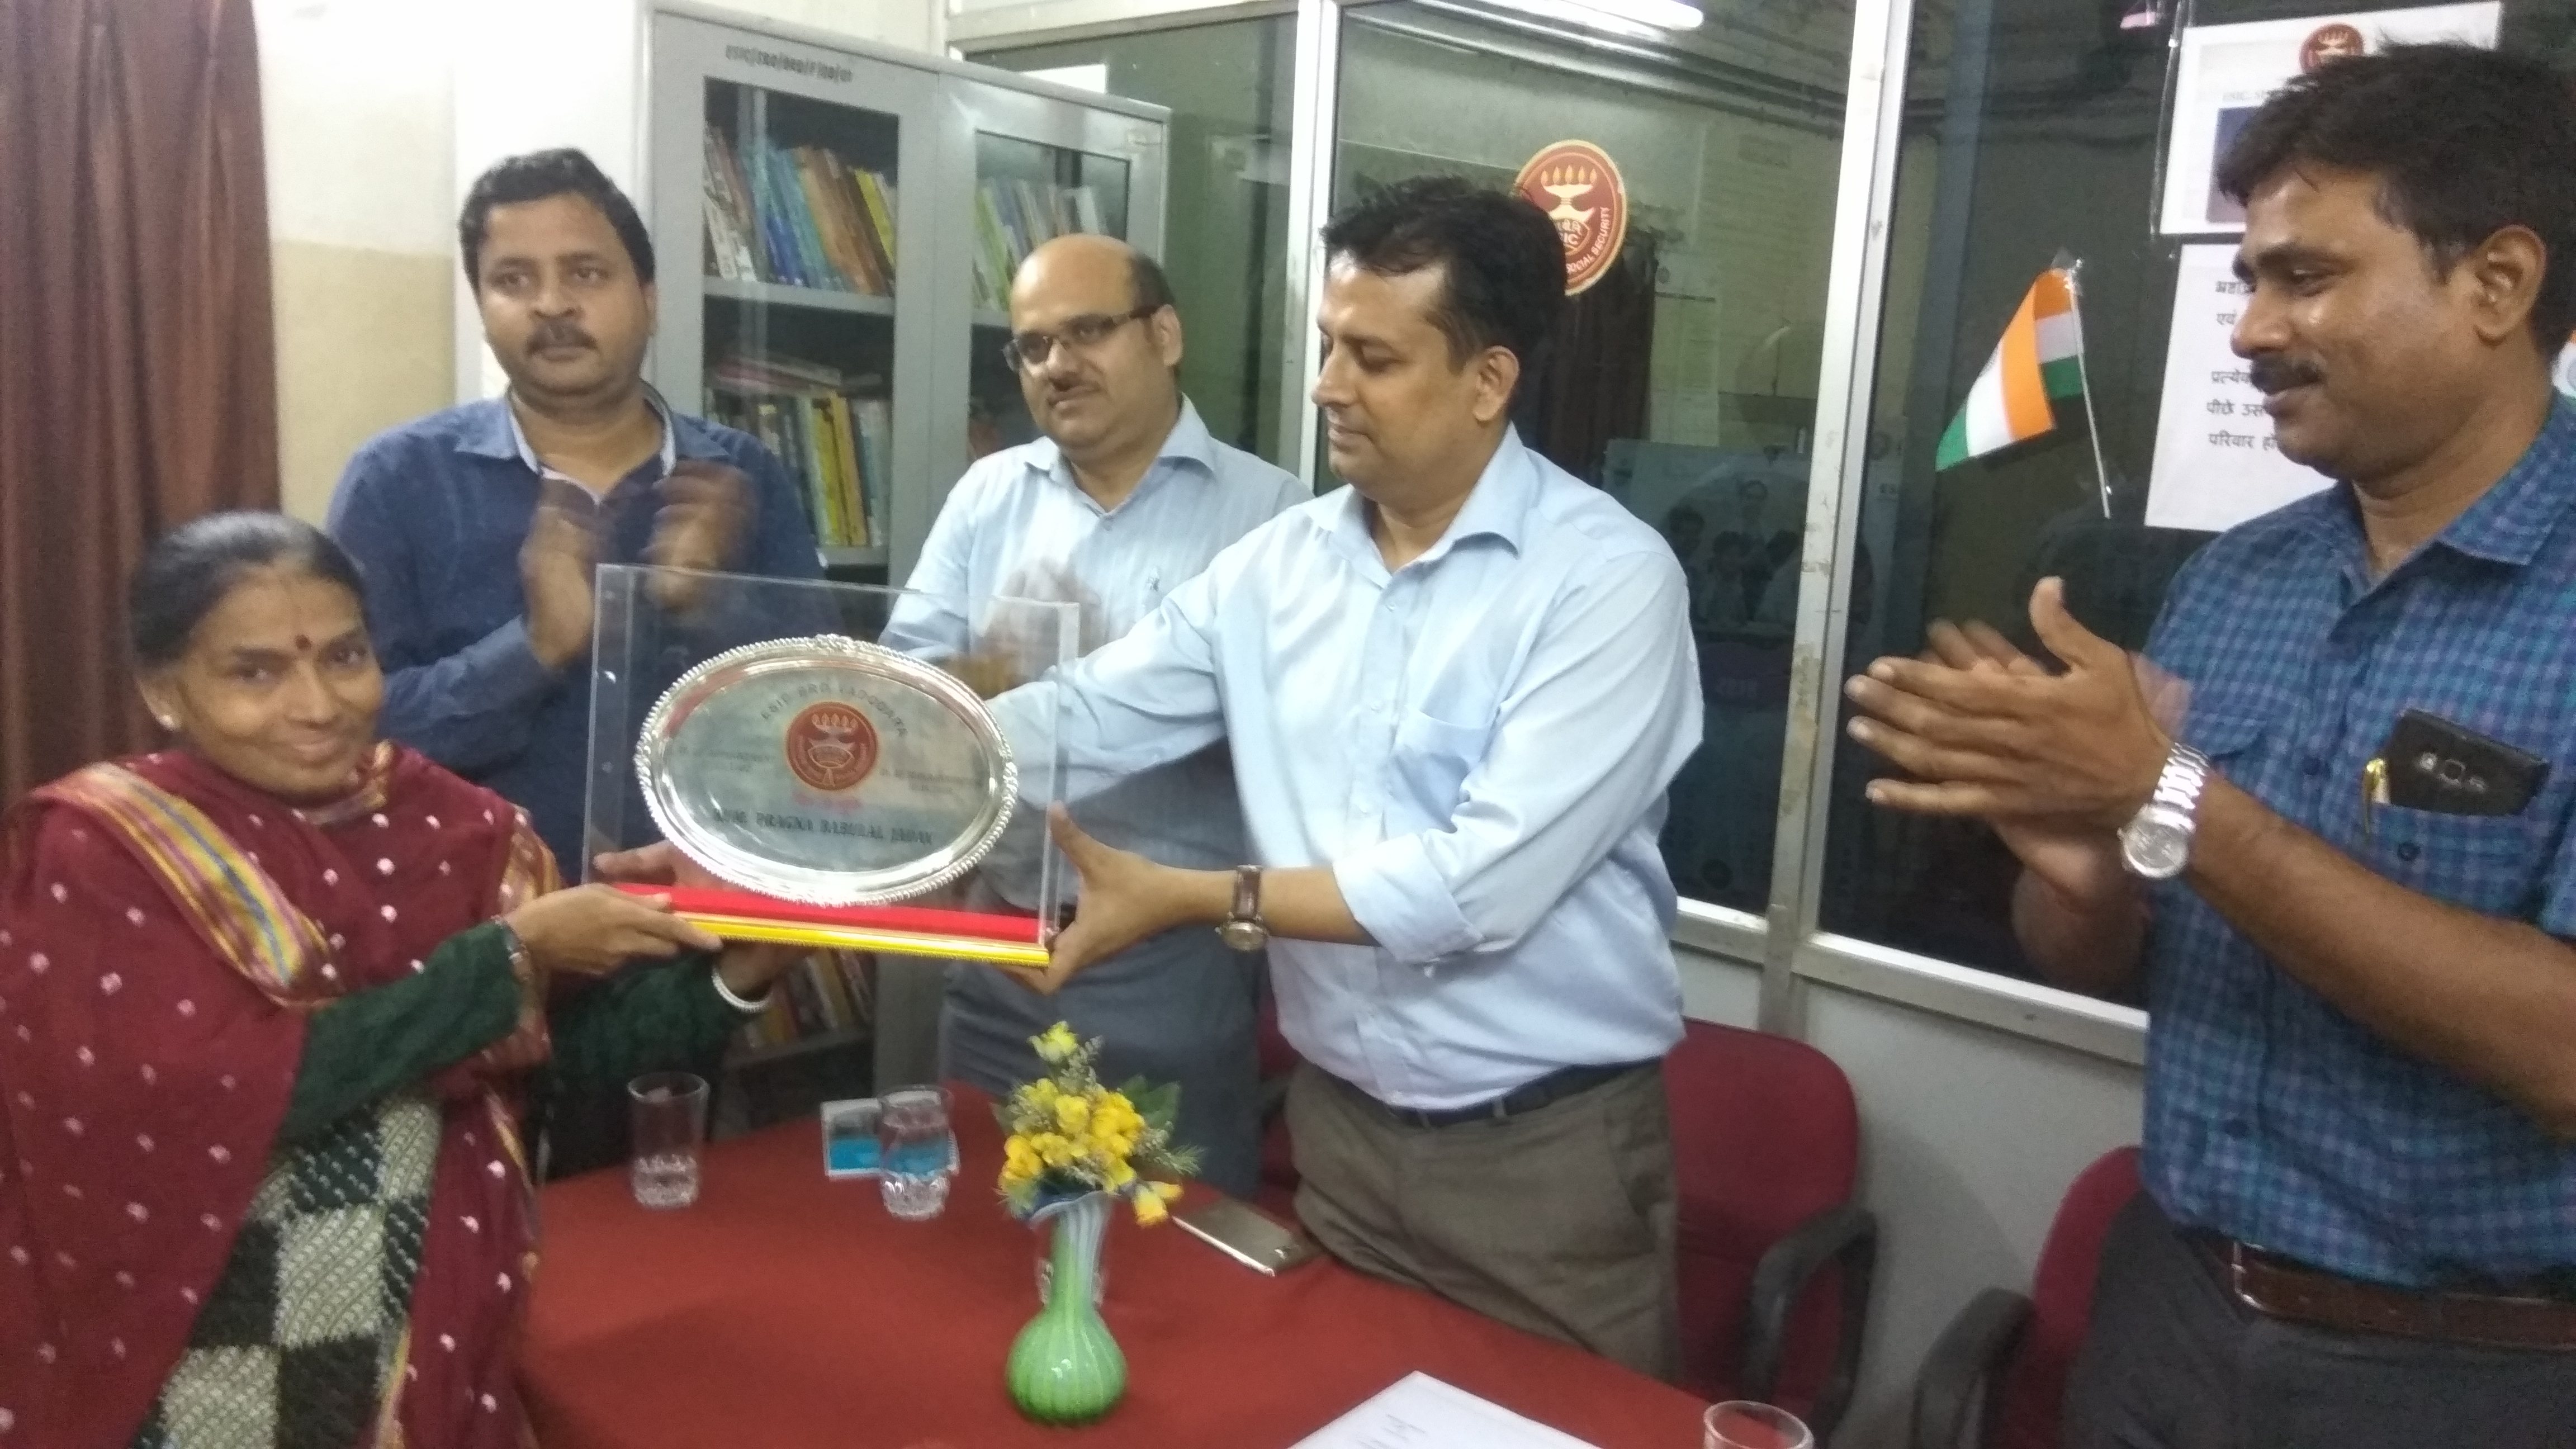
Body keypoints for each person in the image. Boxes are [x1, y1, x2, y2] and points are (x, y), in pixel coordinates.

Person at [1841, 45, 2576, 1447]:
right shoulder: (2238, 583)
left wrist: (2160, 787)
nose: (2252, 331)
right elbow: (2108, 953)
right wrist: (2080, 877)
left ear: (2496, 283)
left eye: (2307, 276)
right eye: (2249, 282)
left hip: (2474, 1376)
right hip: (2174, 1307)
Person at [996, 176, 1701, 1379]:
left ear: (1488, 381)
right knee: (1341, 1410)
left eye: (1373, 358)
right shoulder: (1277, 569)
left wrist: (1199, 897)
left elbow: (1476, 887)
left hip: (1541, 1160)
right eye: (1328, 344)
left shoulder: (1605, 581)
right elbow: (1088, 714)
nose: (1327, 385)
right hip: (1342, 1141)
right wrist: (854, 756)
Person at [0, 513, 799, 1449]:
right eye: (255, 673)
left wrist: (739, 964)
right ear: (163, 691)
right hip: (195, 1329)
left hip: (432, 1313)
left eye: (345, 657)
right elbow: (220, 1092)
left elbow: (555, 1063)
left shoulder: (460, 830)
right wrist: (507, 957)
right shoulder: (104, 850)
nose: (317, 705)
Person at [877, 234, 1304, 1199]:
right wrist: (990, 669)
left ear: (1165, 335)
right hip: (1002, 952)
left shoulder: (1273, 514)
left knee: (1173, 1244)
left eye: (1087, 332)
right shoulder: (989, 496)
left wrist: (1127, 688)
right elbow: (905, 697)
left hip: (1173, 964)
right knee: (980, 1231)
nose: (1057, 365)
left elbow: (1288, 737)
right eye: (1032, 346)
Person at [325, 147, 822, 877]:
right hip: (480, 920)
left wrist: (715, 606)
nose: (552, 305)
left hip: (702, 914)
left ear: (649, 299)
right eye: (513, 280)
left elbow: (827, 719)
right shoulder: (398, 481)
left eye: (585, 273)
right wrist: (535, 648)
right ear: (482, 308)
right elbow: (347, 738)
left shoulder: (739, 477)